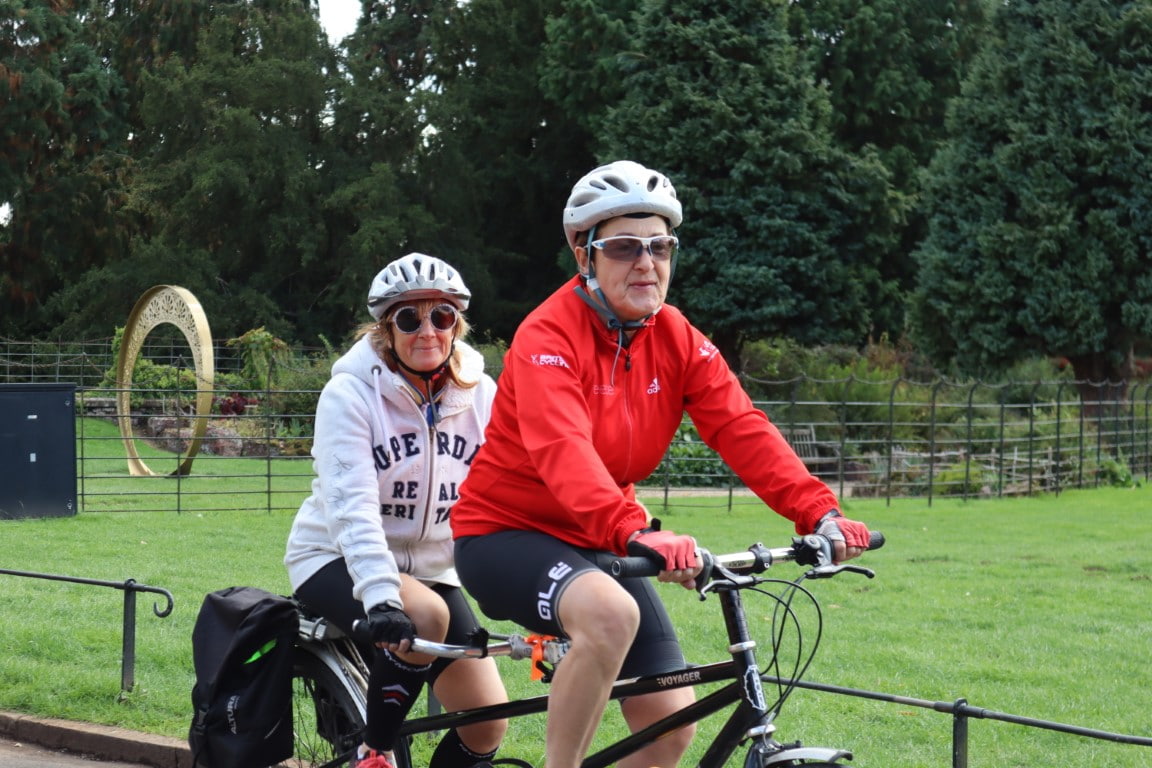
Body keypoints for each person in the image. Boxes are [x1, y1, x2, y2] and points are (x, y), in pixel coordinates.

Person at [450, 160, 873, 768]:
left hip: (604, 541)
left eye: (660, 246)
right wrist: (636, 530)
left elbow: (741, 427)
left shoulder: (677, 337)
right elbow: (562, 449)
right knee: (611, 612)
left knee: (670, 729)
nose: (646, 262)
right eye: (624, 247)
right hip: (506, 535)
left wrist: (819, 513)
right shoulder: (547, 336)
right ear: (584, 254)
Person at [285, 253, 507, 768]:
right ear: (387, 329)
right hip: (334, 555)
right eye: (409, 317)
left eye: (442, 316)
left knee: (488, 720)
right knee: (426, 614)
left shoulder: (480, 395)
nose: (427, 330)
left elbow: (512, 486)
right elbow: (352, 506)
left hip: (431, 566)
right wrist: (382, 596)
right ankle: (375, 751)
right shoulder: (350, 393)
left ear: (457, 325)